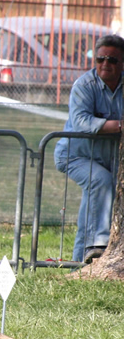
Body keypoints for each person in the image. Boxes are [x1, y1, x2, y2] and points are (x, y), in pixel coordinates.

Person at [53, 34, 124, 264]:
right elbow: (82, 122)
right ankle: (98, 245)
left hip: (109, 159)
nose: (105, 64)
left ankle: (77, 265)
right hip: (74, 155)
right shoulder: (84, 85)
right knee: (101, 182)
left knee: (91, 206)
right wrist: (120, 125)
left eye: (112, 60)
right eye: (100, 58)